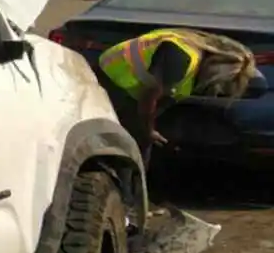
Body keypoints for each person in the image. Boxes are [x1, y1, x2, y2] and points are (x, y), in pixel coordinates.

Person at [94, 28, 259, 161]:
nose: (218, 86)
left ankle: (132, 192)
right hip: (109, 81)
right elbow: (148, 96)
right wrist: (148, 130)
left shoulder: (193, 59)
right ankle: (126, 195)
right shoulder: (182, 57)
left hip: (126, 87)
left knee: (140, 143)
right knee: (135, 143)